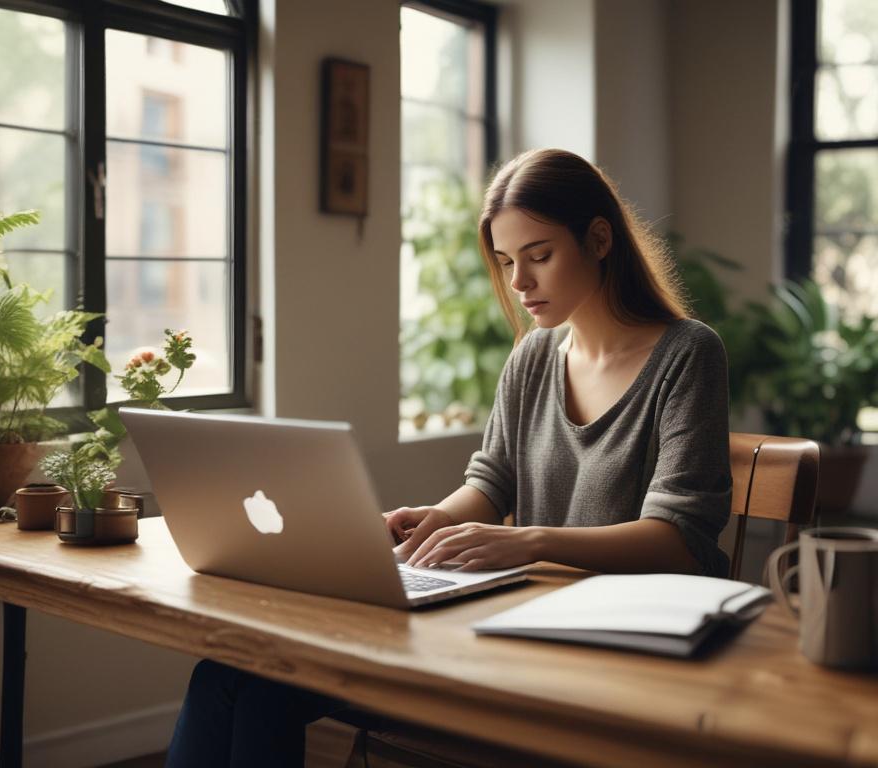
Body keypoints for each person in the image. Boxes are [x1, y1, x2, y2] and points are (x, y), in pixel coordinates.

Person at [164, 148, 732, 767]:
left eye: (539, 255)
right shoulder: (534, 356)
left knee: (255, 692)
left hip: (623, 646)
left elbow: (678, 540)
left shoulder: (687, 354)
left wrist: (528, 542)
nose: (518, 283)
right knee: (231, 676)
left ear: (599, 239)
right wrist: (438, 519)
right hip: (519, 624)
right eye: (507, 261)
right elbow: (492, 482)